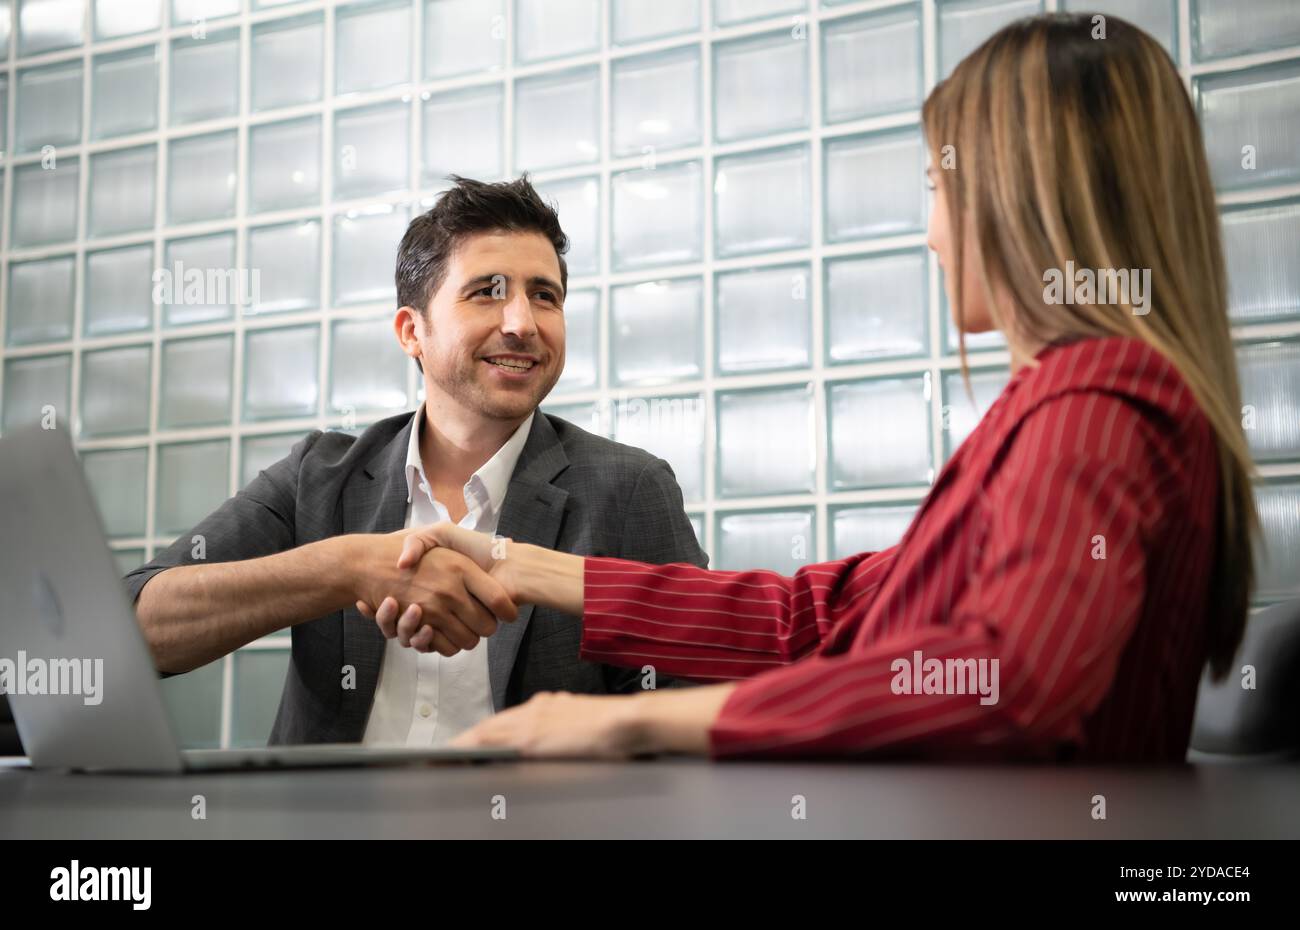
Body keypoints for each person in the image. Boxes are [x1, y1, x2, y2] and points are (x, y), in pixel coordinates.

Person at [365, 14, 1257, 762]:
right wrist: (517, 563)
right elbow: (809, 619)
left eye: (937, 188)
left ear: (1024, 198)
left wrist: (625, 717)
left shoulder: (1096, 408)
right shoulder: (1070, 410)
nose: (934, 233)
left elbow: (1009, 680)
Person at [128, 176, 706, 746]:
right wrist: (349, 566)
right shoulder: (321, 477)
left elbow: (701, 704)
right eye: (488, 291)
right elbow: (130, 628)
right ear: (412, 331)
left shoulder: (629, 489)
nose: (523, 323)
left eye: (544, 296)